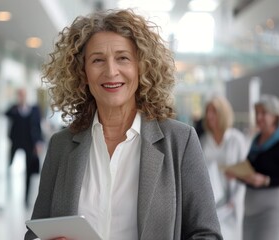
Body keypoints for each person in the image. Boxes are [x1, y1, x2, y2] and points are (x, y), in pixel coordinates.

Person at [25, 9, 222, 240]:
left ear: (141, 67)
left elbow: (207, 234)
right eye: (97, 60)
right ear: (83, 73)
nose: (110, 71)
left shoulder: (180, 141)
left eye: (123, 58)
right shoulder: (61, 145)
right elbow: (35, 231)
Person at [226, 94, 279, 240]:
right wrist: (237, 174)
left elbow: (267, 177)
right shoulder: (256, 140)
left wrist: (266, 180)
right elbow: (250, 170)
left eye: (263, 113)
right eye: (257, 113)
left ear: (275, 116)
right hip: (249, 212)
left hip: (270, 211)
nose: (259, 117)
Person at [200, 96, 247, 240]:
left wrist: (236, 199)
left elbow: (245, 173)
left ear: (223, 114)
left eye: (214, 111)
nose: (209, 116)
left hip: (232, 203)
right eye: (208, 112)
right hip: (212, 201)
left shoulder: (236, 139)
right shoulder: (203, 141)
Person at [5, 88, 43, 206]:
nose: (21, 97)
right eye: (19, 95)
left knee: (28, 171)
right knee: (9, 166)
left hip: (29, 143)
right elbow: (5, 113)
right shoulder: (14, 108)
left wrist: (39, 142)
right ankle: (7, 195)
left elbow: (37, 126)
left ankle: (26, 199)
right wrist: (16, 105)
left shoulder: (34, 109)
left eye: (23, 95)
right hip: (16, 142)